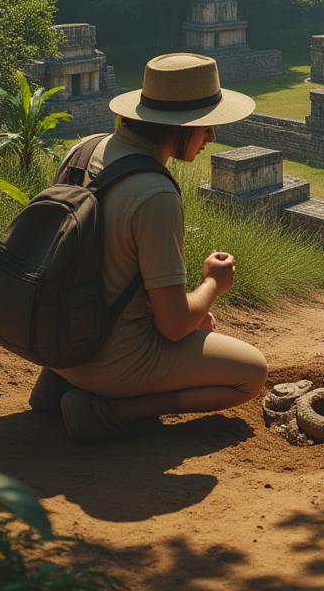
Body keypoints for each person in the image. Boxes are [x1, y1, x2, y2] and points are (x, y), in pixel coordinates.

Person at [28, 52, 269, 443]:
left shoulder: (86, 148)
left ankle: (59, 384)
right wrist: (212, 285)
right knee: (252, 373)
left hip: (56, 338)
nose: (211, 137)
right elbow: (173, 327)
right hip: (114, 359)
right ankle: (107, 410)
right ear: (178, 127)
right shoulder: (154, 193)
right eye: (205, 126)